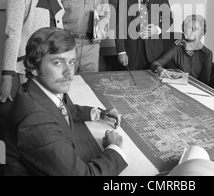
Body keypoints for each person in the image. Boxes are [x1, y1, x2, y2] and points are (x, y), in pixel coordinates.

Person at [2, 27, 127, 176]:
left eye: (72, 62)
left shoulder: (33, 89)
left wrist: (97, 113)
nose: (69, 72)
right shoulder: (36, 121)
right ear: (34, 67)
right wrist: (114, 148)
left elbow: (59, 107)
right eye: (57, 63)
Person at [0, 0, 64, 104]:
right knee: (33, 107)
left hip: (53, 61)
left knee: (52, 106)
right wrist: (7, 74)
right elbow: (12, 34)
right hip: (31, 63)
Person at [115, 0, 173, 70]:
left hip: (155, 53)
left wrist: (158, 29)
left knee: (154, 84)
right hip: (131, 53)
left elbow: (168, 19)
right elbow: (119, 26)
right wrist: (121, 51)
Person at [151, 14, 212, 85]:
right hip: (175, 87)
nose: (192, 31)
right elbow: (155, 64)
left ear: (202, 32)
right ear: (185, 30)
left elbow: (205, 83)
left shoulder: (207, 53)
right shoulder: (177, 47)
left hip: (195, 90)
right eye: (189, 28)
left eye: (196, 29)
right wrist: (160, 70)